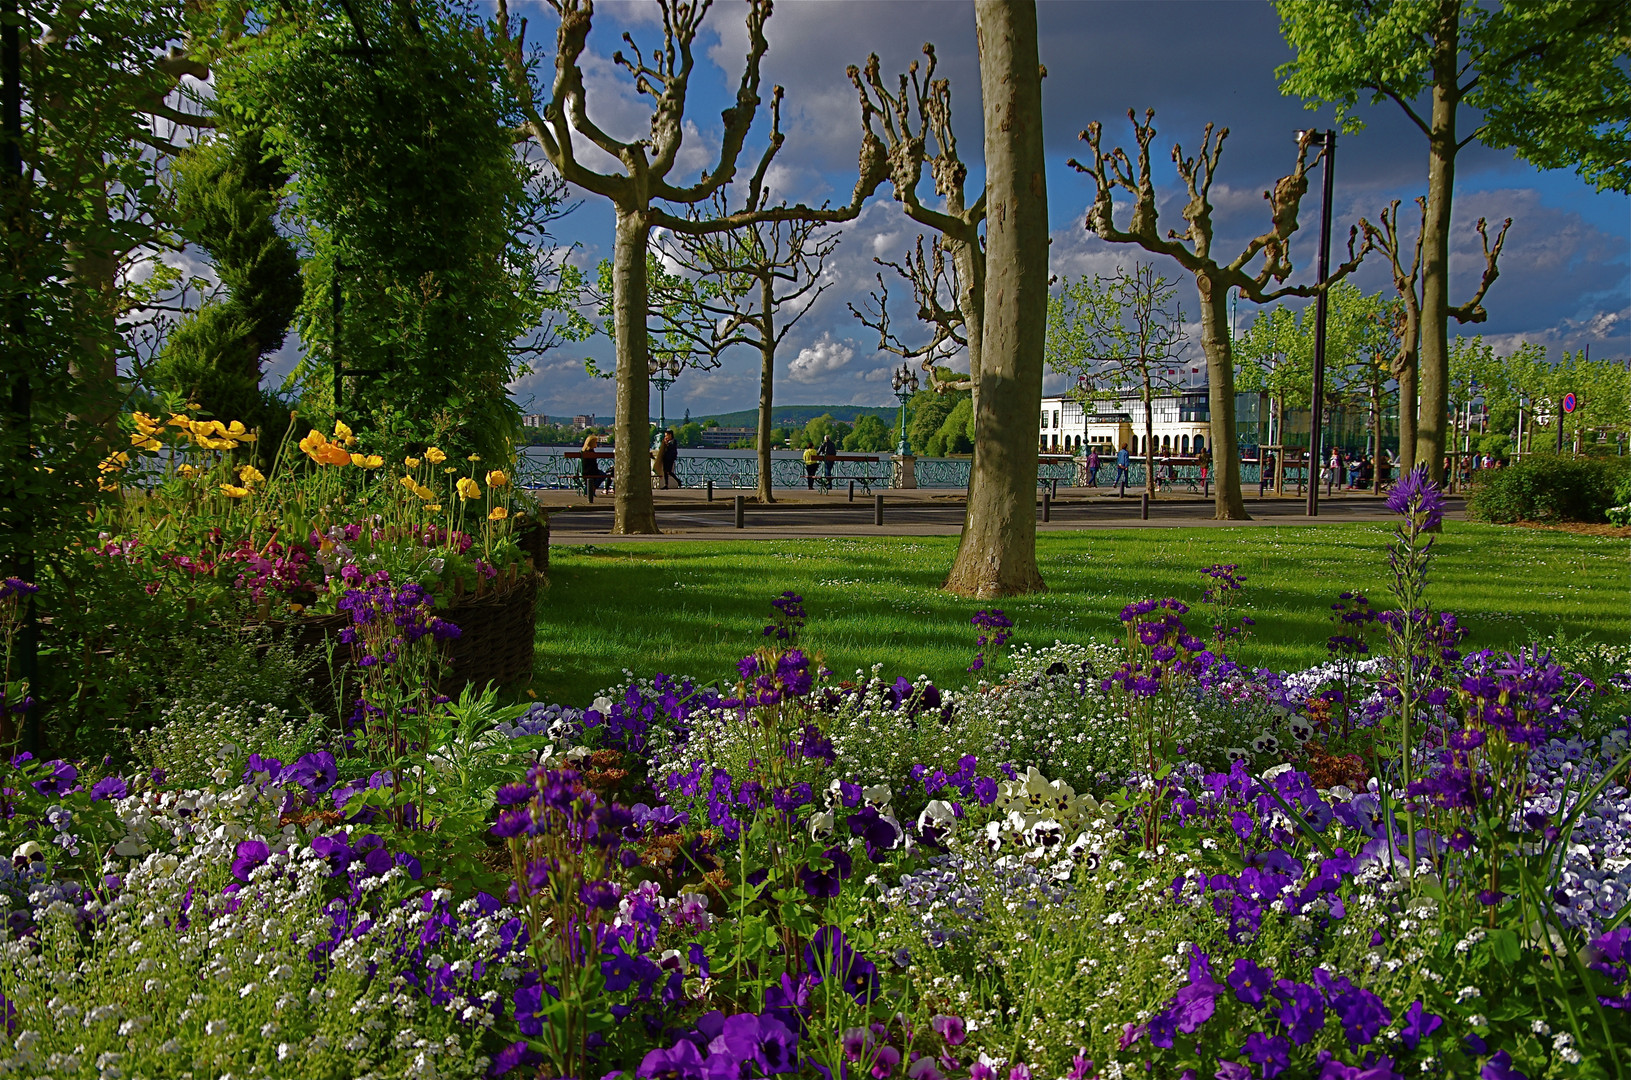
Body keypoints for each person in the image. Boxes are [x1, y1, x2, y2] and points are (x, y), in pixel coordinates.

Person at [581, 432, 605, 501]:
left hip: (584, 472)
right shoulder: (591, 452)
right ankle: (593, 488)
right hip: (590, 472)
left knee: (601, 474)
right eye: (595, 442)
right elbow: (593, 466)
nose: (596, 444)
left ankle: (591, 488)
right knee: (603, 475)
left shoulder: (583, 451)